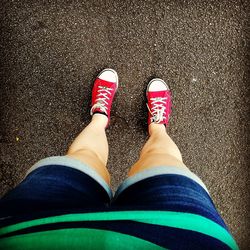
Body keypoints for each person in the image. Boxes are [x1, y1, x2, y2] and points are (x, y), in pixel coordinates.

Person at [0, 69, 238, 250]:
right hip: (184, 234)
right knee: (162, 163)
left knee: (82, 161)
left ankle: (106, 118)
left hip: (33, 228)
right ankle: (152, 126)